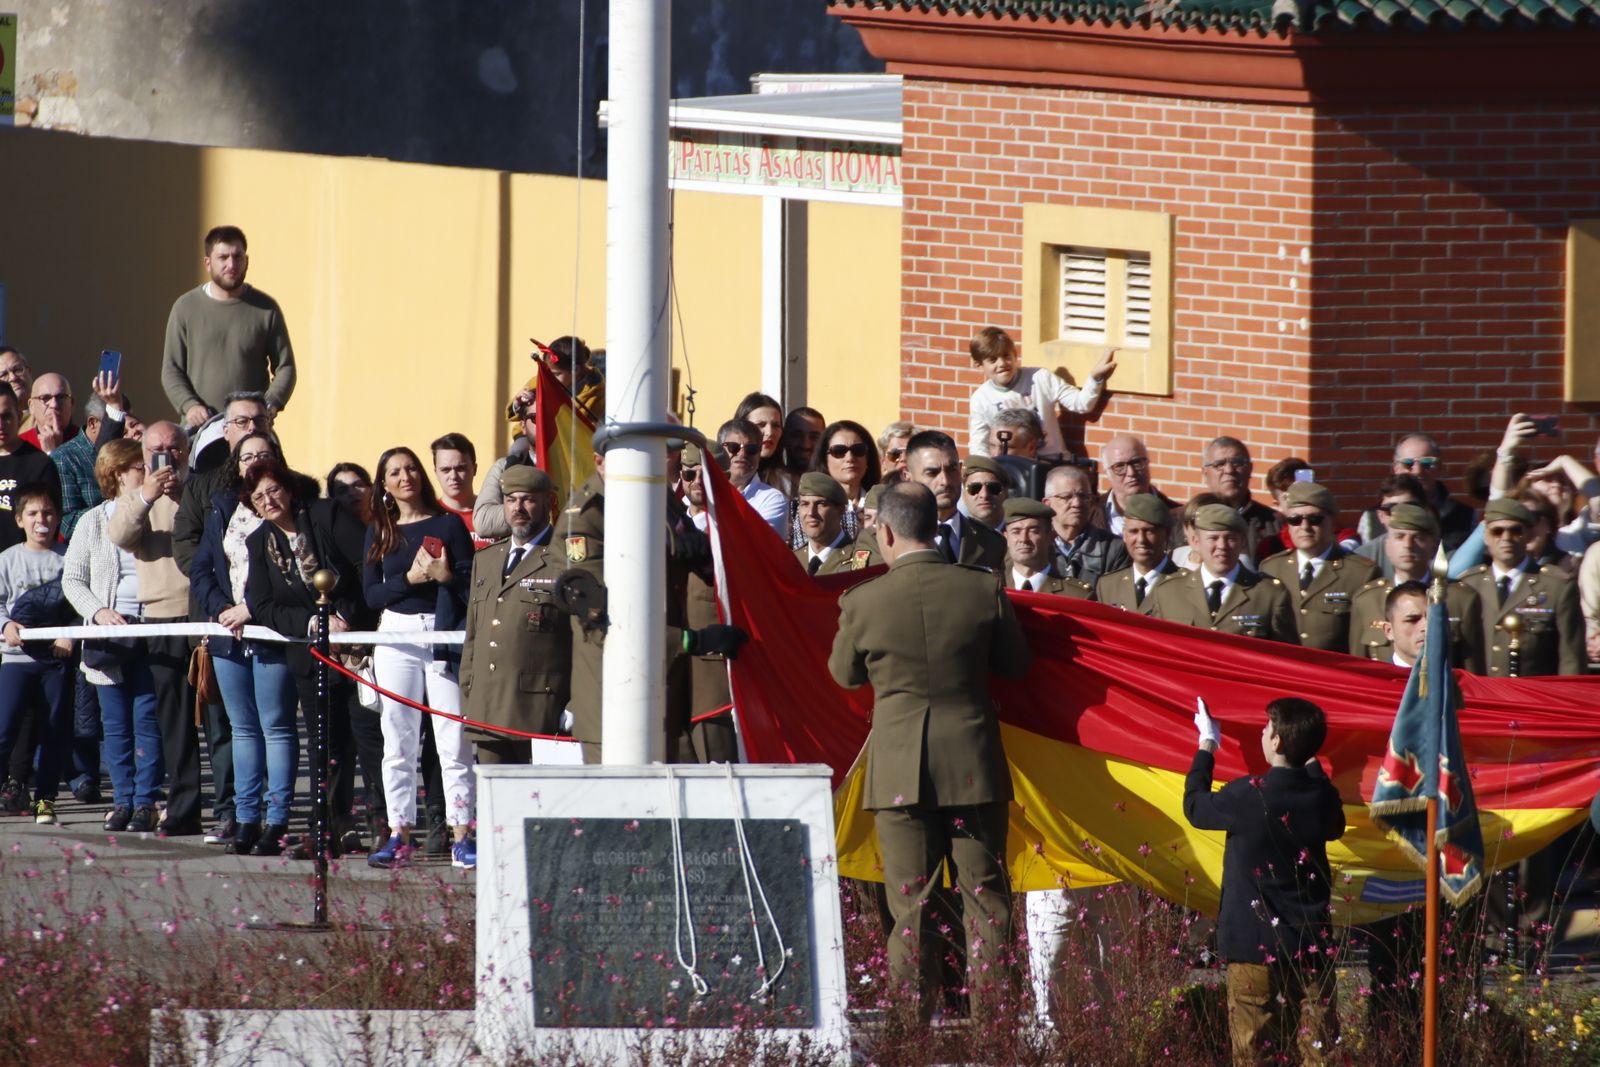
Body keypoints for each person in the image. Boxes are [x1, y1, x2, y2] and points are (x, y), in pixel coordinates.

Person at [828, 482, 1032, 1020]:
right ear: (935, 528)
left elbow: (843, 675)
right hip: (972, 764)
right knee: (986, 903)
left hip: (900, 769)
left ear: (886, 531)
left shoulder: (863, 600)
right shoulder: (981, 589)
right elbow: (1016, 665)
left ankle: (909, 1038)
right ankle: (997, 1038)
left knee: (911, 907)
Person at [1184, 697, 1345, 1065]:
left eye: (1266, 728)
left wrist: (1207, 745)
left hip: (1252, 947)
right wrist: (1312, 762)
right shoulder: (1320, 798)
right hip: (1310, 946)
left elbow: (1194, 806)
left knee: (1254, 1052)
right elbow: (1334, 819)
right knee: (1320, 1053)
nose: (1262, 732)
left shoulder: (1245, 794)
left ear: (1276, 742)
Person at [243, 459, 371, 856]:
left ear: (290, 488)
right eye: (259, 497)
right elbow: (262, 606)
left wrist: (346, 618)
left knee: (369, 740)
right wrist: (312, 622)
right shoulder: (259, 543)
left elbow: (367, 565)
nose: (268, 500)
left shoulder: (325, 515)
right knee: (325, 746)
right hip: (312, 654)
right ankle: (327, 830)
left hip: (360, 646)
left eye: (273, 490)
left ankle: (386, 829)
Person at [189, 433, 303, 856]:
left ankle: (277, 821)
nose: (255, 462)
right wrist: (221, 608)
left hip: (269, 630)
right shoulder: (222, 509)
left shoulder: (287, 507)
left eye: (264, 455)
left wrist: (249, 609)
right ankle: (246, 818)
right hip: (227, 633)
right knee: (241, 729)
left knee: (276, 726)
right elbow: (201, 569)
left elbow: (294, 574)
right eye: (247, 456)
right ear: (236, 465)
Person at [362, 446, 474, 869]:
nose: (405, 476)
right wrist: (408, 579)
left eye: (411, 468)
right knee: (398, 737)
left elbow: (469, 581)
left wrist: (446, 577)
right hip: (397, 635)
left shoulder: (448, 523)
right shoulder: (381, 530)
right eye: (394, 472)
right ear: (385, 485)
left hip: (443, 630)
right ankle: (400, 833)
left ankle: (462, 832)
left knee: (453, 734)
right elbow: (371, 594)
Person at [107, 421, 218, 838]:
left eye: (174, 448)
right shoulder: (137, 493)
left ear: (186, 451)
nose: (166, 456)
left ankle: (230, 806)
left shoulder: (203, 489)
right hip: (160, 614)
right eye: (156, 448)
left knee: (217, 717)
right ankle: (184, 808)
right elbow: (121, 535)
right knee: (173, 719)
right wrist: (149, 496)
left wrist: (182, 496)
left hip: (203, 610)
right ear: (142, 451)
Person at [457, 465, 572, 864]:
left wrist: (574, 704)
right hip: (489, 704)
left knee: (536, 807)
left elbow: (581, 637)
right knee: (494, 806)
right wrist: (469, 689)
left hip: (540, 706)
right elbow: (474, 633)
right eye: (510, 500)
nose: (518, 509)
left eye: (527, 499)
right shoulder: (487, 560)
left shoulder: (562, 558)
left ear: (547, 503)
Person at [62, 439, 164, 832]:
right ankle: (122, 801)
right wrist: (97, 610)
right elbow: (72, 579)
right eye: (139, 466)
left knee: (147, 718)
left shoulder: (159, 513)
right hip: (108, 635)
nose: (147, 471)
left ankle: (146, 801)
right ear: (118, 473)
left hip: (153, 626)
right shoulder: (92, 521)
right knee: (116, 723)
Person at [162, 225, 297, 426]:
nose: (231, 264)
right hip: (200, 428)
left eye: (238, 256)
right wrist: (189, 405)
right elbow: (171, 370)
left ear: (247, 261)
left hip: (250, 429)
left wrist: (268, 405)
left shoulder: (266, 309)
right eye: (223, 257)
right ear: (207, 263)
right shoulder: (185, 308)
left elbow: (285, 367)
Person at [0, 486, 76, 824]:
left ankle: (45, 798)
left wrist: (70, 633)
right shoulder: (7, 559)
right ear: (19, 520)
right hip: (15, 660)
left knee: (56, 729)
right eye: (32, 513)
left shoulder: (70, 558)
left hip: (56, 662)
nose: (40, 520)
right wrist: (6, 626)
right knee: (4, 728)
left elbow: (82, 603)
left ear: (57, 517)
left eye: (47, 513)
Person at [1348, 503, 1487, 672]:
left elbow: (1472, 670)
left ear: (1434, 545)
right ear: (1387, 545)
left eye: (1418, 538)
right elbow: (1358, 667)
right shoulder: (1367, 599)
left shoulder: (1460, 598)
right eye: (1399, 537)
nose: (1408, 545)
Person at [1458, 498, 1584, 677]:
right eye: (1497, 531)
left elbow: (1571, 659)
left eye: (1516, 530)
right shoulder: (1468, 584)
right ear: (1486, 537)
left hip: (1534, 697)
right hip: (1480, 697)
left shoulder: (1557, 586)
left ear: (1528, 535)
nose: (1506, 538)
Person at [1257, 482, 1377, 652]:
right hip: (1283, 671)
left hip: (1331, 673)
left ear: (1331, 522)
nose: (1304, 527)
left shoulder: (1360, 572)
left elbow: (1364, 640)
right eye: (1295, 520)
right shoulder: (1271, 568)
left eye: (1314, 519)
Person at [1150, 504, 1297, 642]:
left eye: (1230, 538)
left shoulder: (1269, 594)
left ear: (1242, 541)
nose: (1222, 546)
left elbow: (1285, 658)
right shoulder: (1168, 592)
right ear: (1195, 542)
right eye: (1213, 538)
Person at [966, 326, 1114, 460]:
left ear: (1015, 354)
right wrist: (988, 472)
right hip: (1011, 469)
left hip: (1052, 463)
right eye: (993, 360)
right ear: (979, 365)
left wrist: (1095, 378)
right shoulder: (981, 398)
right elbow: (978, 445)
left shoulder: (1040, 378)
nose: (1002, 364)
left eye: (1006, 356)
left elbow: (1081, 404)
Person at [901, 431, 1005, 570]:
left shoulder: (990, 542)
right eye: (932, 473)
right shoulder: (892, 539)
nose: (945, 481)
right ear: (908, 477)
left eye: (952, 470)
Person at [54, 371, 139, 540]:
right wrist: (118, 508)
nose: (125, 434)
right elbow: (68, 523)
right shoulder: (64, 459)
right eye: (118, 426)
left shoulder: (133, 454)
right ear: (93, 423)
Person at [1357, 433, 1474, 552]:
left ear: (1440, 467)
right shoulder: (1371, 519)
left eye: (1427, 463)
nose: (1418, 471)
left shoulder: (1466, 516)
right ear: (1395, 468)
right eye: (1408, 463)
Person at [0, 383, 64, 551]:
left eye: (6, 416)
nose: (1, 424)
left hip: (21, 570)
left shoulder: (39, 464)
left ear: (19, 416)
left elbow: (50, 527)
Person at [1043, 464, 1128, 584]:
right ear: (1047, 503)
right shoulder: (1034, 545)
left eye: (1083, 496)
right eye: (1067, 497)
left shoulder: (1114, 549)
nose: (1077, 503)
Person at [1200, 437, 1278, 568]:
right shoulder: (1183, 521)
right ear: (1205, 472)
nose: (1229, 470)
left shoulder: (1275, 524)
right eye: (1219, 464)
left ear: (1250, 469)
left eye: (1237, 463)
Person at [1095, 494, 1179, 614]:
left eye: (1149, 531)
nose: (1141, 540)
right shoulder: (1108, 585)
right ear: (1124, 535)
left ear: (1166, 533)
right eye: (1133, 531)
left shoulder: (1186, 585)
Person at [505, 336, 604, 427]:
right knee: (518, 447)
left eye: (557, 374)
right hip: (531, 435)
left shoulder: (597, 393)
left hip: (569, 441)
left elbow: (591, 429)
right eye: (549, 373)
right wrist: (518, 404)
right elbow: (515, 413)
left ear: (576, 370)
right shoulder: (538, 381)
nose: (550, 378)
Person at [793, 472, 880, 576]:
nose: (811, 512)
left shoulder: (861, 560)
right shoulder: (792, 561)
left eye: (821, 504)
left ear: (841, 510)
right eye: (805, 504)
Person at [1002, 497, 1092, 597]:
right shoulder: (992, 589)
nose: (1023, 539)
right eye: (1016, 531)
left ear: (1050, 537)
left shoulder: (1077, 596)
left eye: (1034, 531)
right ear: (1006, 538)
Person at [719, 418, 788, 539]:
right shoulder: (701, 489)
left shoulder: (772, 499)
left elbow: (754, 543)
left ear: (759, 453)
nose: (742, 454)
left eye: (751, 449)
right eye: (733, 447)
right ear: (720, 450)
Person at [1350, 473, 1428, 580]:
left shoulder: (1444, 554)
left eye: (1408, 507)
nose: (1401, 515)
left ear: (1424, 510)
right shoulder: (1362, 559)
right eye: (1391, 508)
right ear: (1380, 516)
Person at [811, 419, 880, 534]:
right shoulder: (810, 507)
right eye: (839, 451)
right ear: (824, 460)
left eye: (858, 450)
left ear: (868, 458)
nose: (850, 458)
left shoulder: (885, 504)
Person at [1100, 433, 1176, 536]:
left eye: (1137, 462)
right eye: (1120, 466)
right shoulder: (1088, 515)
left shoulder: (1176, 516)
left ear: (1148, 463)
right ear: (1107, 473)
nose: (1131, 473)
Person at [430, 432, 489, 549]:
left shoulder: (491, 513)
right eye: (445, 470)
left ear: (475, 469)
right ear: (436, 473)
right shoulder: (429, 516)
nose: (453, 476)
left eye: (460, 468)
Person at [734, 392, 786, 492]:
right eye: (760, 425)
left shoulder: (792, 484)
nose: (769, 432)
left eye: (775, 425)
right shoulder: (720, 477)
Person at [20, 372, 79, 455]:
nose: (54, 404)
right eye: (45, 398)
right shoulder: (18, 446)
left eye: (61, 397)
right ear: (31, 406)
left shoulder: (88, 440)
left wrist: (53, 452)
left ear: (71, 403)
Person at [959, 455, 1010, 531]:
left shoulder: (1020, 536)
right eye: (975, 488)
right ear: (964, 495)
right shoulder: (955, 537)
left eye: (993, 487)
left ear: (1006, 493)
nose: (984, 495)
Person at [0, 348, 34, 432]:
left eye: (17, 369)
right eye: (3, 374)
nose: (13, 377)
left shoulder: (49, 409)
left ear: (29, 371)